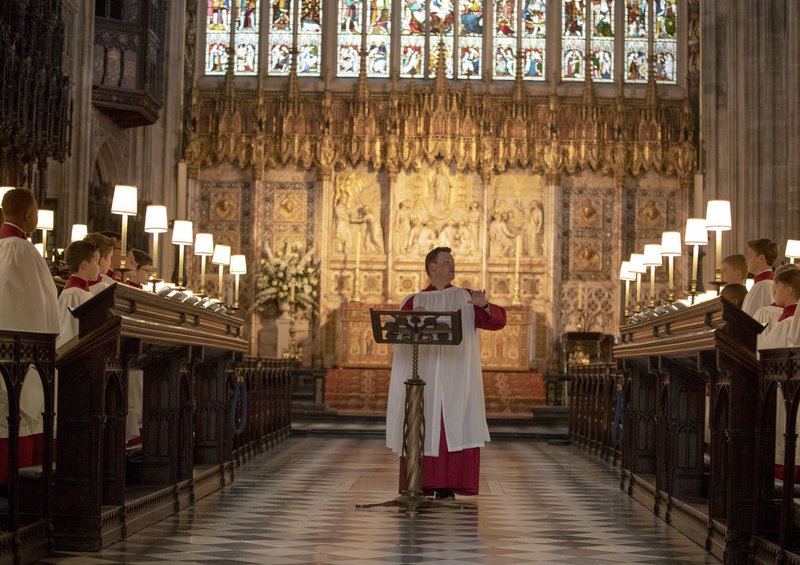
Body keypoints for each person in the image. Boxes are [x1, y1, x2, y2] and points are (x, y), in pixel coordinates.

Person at [386, 246, 506, 500]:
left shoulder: (465, 297)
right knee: (424, 420)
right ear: (431, 268)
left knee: (453, 421)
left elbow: (498, 321)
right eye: (446, 261)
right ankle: (419, 481)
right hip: (423, 373)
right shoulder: (414, 300)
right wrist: (408, 321)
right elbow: (396, 332)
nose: (452, 265)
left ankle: (448, 484)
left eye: (453, 261)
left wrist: (484, 305)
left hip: (457, 373)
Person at [0, 188, 59, 484]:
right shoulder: (22, 251)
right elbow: (38, 309)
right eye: (36, 211)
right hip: (20, 358)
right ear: (27, 215)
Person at [57, 240, 101, 350]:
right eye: (97, 262)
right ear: (84, 265)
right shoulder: (72, 293)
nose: (99, 267)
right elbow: (68, 335)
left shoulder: (82, 291)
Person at [742, 238, 779, 317]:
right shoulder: (762, 284)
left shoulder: (764, 285)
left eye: (749, 256)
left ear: (761, 258)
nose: (746, 260)